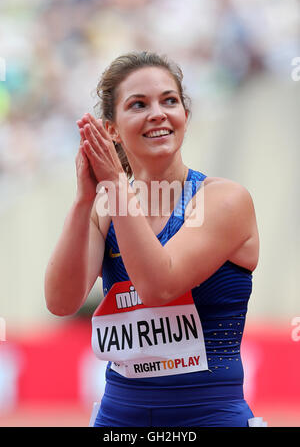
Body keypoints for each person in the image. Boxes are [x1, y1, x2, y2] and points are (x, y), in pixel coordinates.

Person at [44, 51, 260, 427]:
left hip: (210, 418)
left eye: (169, 101)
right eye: (138, 104)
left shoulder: (224, 200)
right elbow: (61, 302)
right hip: (118, 420)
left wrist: (114, 187)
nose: (157, 113)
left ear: (185, 118)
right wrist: (83, 201)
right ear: (111, 129)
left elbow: (159, 286)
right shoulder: (105, 207)